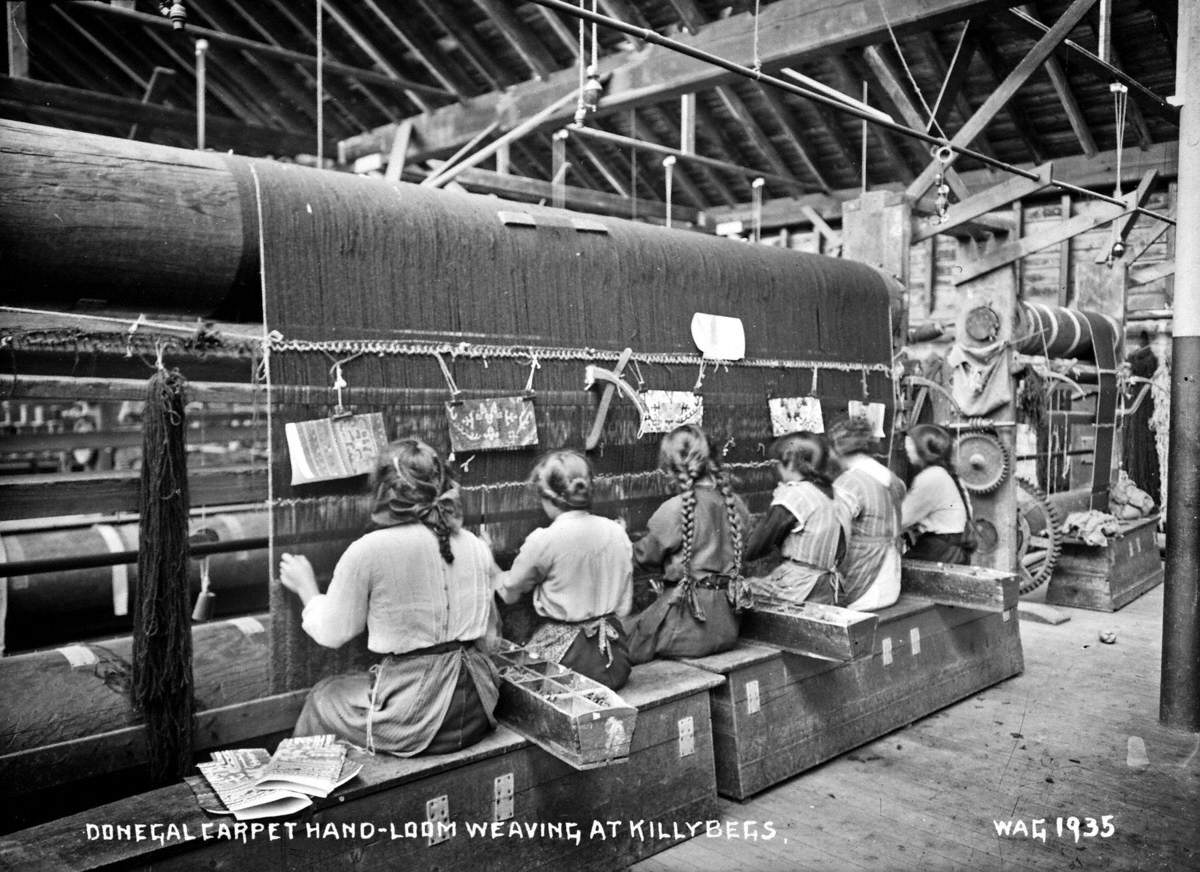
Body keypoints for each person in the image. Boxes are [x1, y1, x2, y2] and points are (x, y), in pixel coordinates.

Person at [278, 438, 500, 756]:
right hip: (477, 709)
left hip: (420, 720)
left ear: (385, 491)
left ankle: (301, 790)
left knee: (323, 696)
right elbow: (490, 638)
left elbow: (334, 632)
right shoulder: (475, 546)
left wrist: (306, 589)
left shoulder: (369, 550)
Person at [494, 450, 634, 689]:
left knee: (508, 677)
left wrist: (489, 562)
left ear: (547, 497)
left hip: (569, 663)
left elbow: (509, 593)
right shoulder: (617, 533)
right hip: (615, 660)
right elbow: (624, 607)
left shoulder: (544, 540)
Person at [626, 424, 751, 662]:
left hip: (686, 628)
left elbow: (643, 558)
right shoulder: (737, 504)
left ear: (674, 467)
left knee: (620, 641)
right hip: (727, 626)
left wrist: (618, 540)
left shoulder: (677, 509)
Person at [744, 431, 847, 604]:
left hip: (800, 587)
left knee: (741, 591)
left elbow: (755, 549)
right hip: (826, 586)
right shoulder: (832, 494)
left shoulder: (794, 495)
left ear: (790, 463)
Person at [829, 416, 906, 611]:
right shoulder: (892, 478)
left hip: (865, 585)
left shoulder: (850, 483)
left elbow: (836, 536)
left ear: (838, 449)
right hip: (892, 582)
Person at [901, 424, 972, 565]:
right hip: (952, 547)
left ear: (923, 448)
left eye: (910, 444)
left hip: (941, 549)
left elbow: (902, 519)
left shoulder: (932, 476)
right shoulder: (945, 473)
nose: (906, 448)